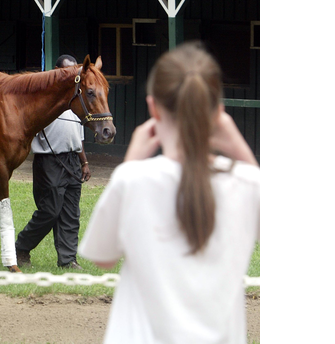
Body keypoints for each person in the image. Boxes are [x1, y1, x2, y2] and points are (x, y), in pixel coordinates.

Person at [78, 42, 260, 344]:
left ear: (153, 109)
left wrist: (131, 162)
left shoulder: (133, 179)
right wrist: (239, 146)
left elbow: (103, 257)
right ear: (219, 111)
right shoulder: (247, 182)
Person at [15, 54, 91, 270]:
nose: (69, 75)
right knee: (50, 210)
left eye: (72, 71)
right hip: (49, 159)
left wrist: (84, 162)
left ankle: (67, 260)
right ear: (56, 71)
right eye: (65, 71)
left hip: (72, 160)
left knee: (70, 213)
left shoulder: (77, 100)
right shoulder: (44, 98)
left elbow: (78, 136)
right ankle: (21, 247)